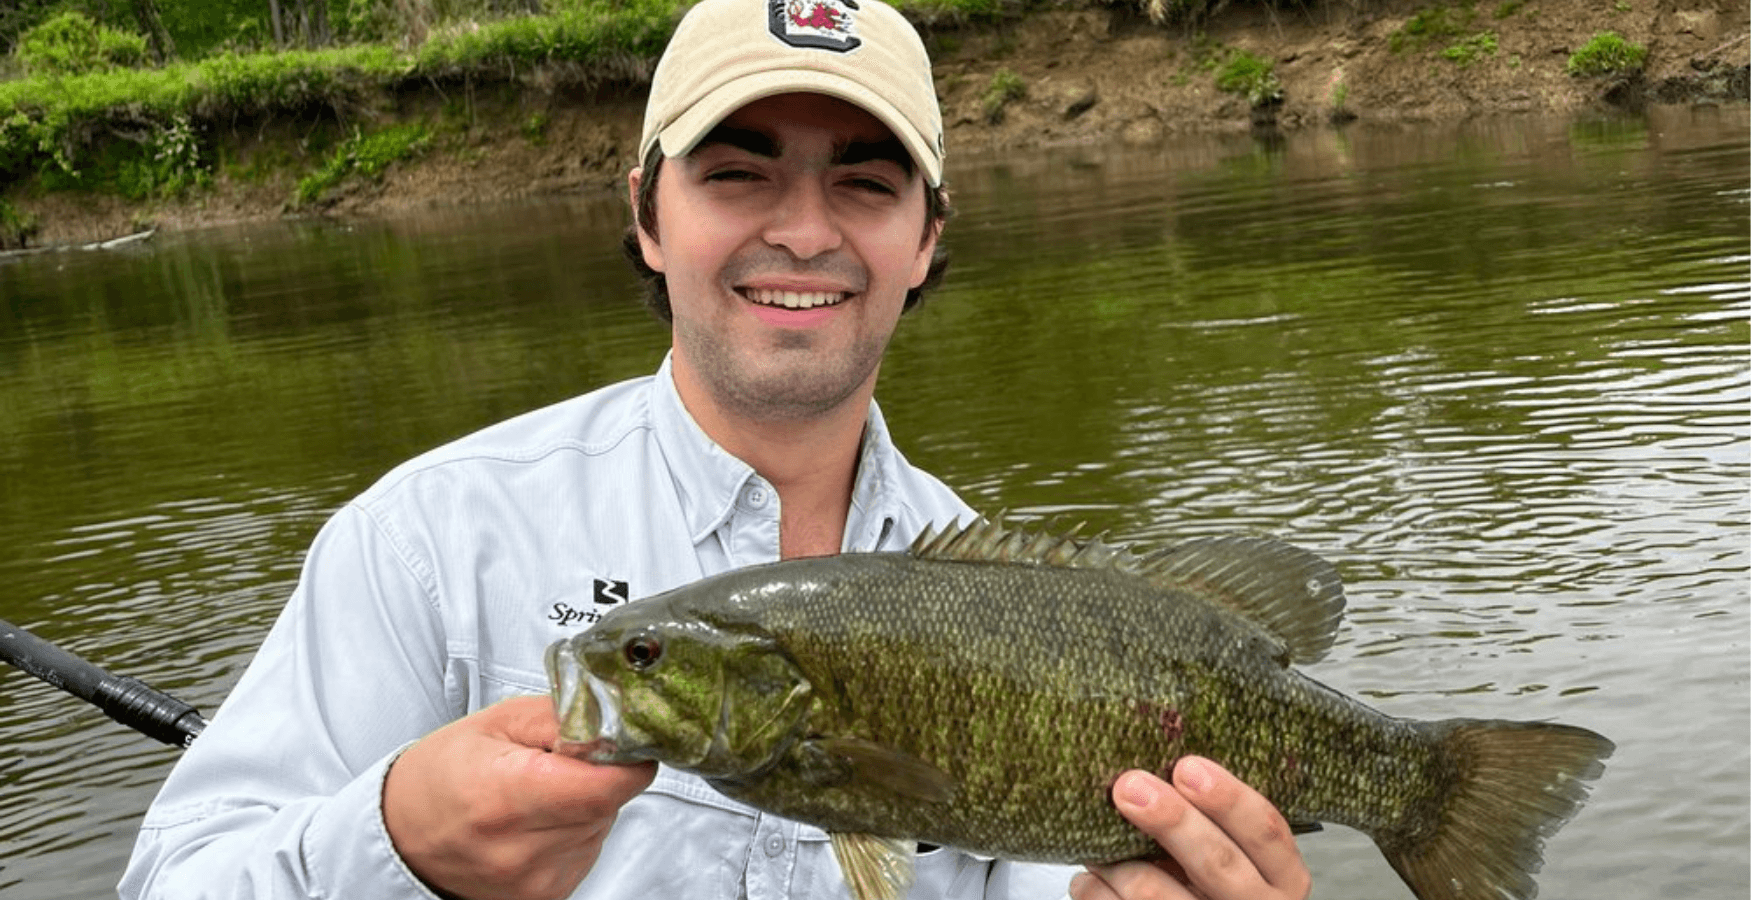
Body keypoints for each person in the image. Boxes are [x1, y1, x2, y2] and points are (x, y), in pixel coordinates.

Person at [119, 0, 1313, 897]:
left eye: (865, 182)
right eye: (737, 174)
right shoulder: (430, 540)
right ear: (646, 215)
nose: (801, 231)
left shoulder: (1012, 602)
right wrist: (393, 840)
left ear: (928, 240)